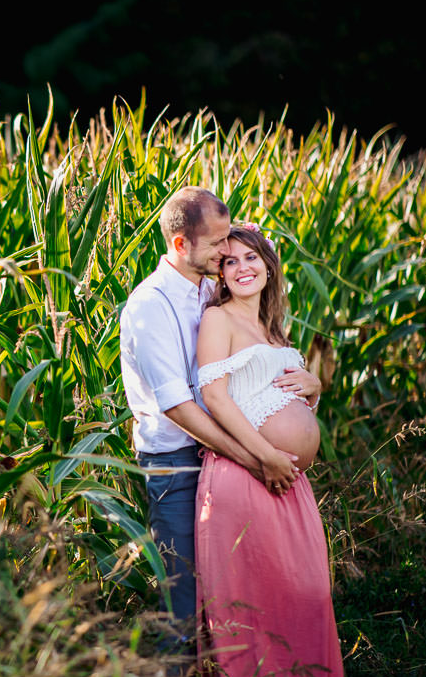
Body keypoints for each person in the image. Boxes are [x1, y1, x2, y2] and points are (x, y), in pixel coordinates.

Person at [119, 188, 314, 648]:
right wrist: (255, 458)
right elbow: (179, 406)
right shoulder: (150, 306)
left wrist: (310, 384)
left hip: (224, 456)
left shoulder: (212, 285)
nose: (227, 252)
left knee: (235, 593)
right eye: (217, 244)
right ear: (181, 245)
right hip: (178, 463)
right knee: (184, 600)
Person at [194, 223, 348, 677]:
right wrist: (265, 459)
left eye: (251, 258)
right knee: (252, 604)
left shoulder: (273, 329)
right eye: (230, 261)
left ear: (268, 265)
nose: (241, 268)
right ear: (219, 273)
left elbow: (287, 399)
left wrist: (317, 387)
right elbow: (215, 397)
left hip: (289, 483)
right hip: (246, 475)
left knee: (304, 595)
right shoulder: (218, 319)